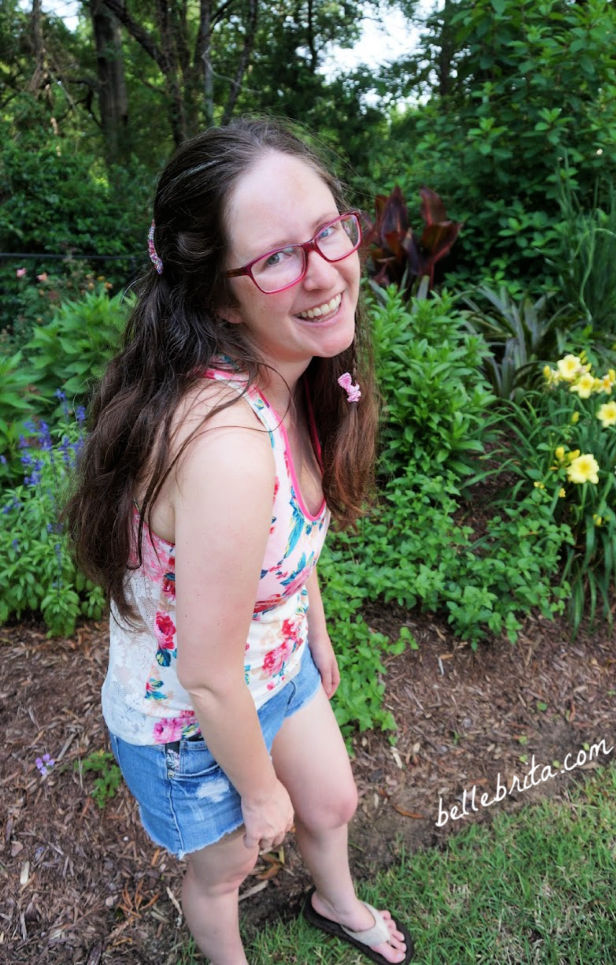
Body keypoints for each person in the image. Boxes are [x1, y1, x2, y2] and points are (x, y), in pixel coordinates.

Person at [67, 117, 414, 965]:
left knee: (331, 800)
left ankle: (337, 902)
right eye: (277, 257)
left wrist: (316, 633)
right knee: (226, 866)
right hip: (191, 716)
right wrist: (259, 793)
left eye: (328, 229)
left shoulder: (295, 375)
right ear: (219, 296)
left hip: (272, 658)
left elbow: (289, 547)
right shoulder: (225, 447)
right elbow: (205, 672)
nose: (326, 270)